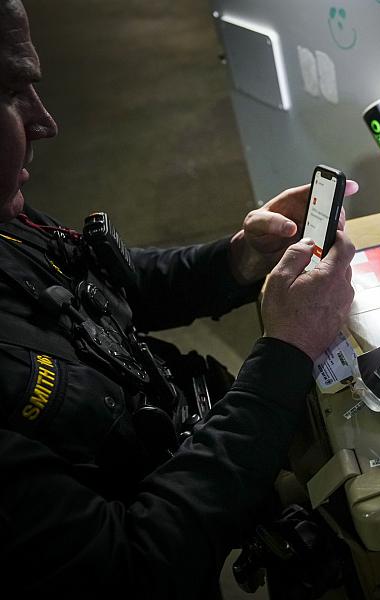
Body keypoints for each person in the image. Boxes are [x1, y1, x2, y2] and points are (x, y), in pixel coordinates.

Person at [0, 1, 356, 596]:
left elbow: (105, 283)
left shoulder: (6, 221)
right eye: (11, 94)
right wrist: (286, 352)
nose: (44, 121)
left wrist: (237, 260)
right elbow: (136, 565)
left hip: (188, 431)